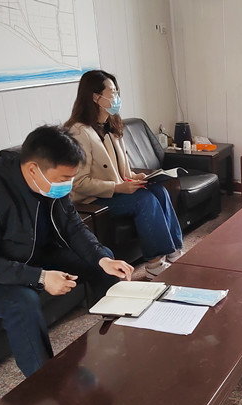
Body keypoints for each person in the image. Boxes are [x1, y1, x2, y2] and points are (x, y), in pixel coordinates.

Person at [0, 125, 134, 377]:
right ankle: (45, 382)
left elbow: (73, 226)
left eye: (71, 178)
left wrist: (101, 258)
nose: (68, 186)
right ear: (33, 169)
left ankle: (122, 337)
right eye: (64, 179)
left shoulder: (50, 181)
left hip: (30, 254)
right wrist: (40, 277)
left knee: (103, 264)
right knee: (22, 301)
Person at [65, 70, 183, 278]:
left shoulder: (111, 125)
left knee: (159, 190)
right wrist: (118, 187)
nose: (117, 97)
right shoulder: (79, 132)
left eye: (117, 92)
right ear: (95, 97)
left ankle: (174, 252)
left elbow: (121, 169)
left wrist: (135, 178)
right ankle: (154, 265)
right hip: (94, 199)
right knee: (144, 200)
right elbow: (79, 183)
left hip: (117, 190)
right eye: (112, 92)